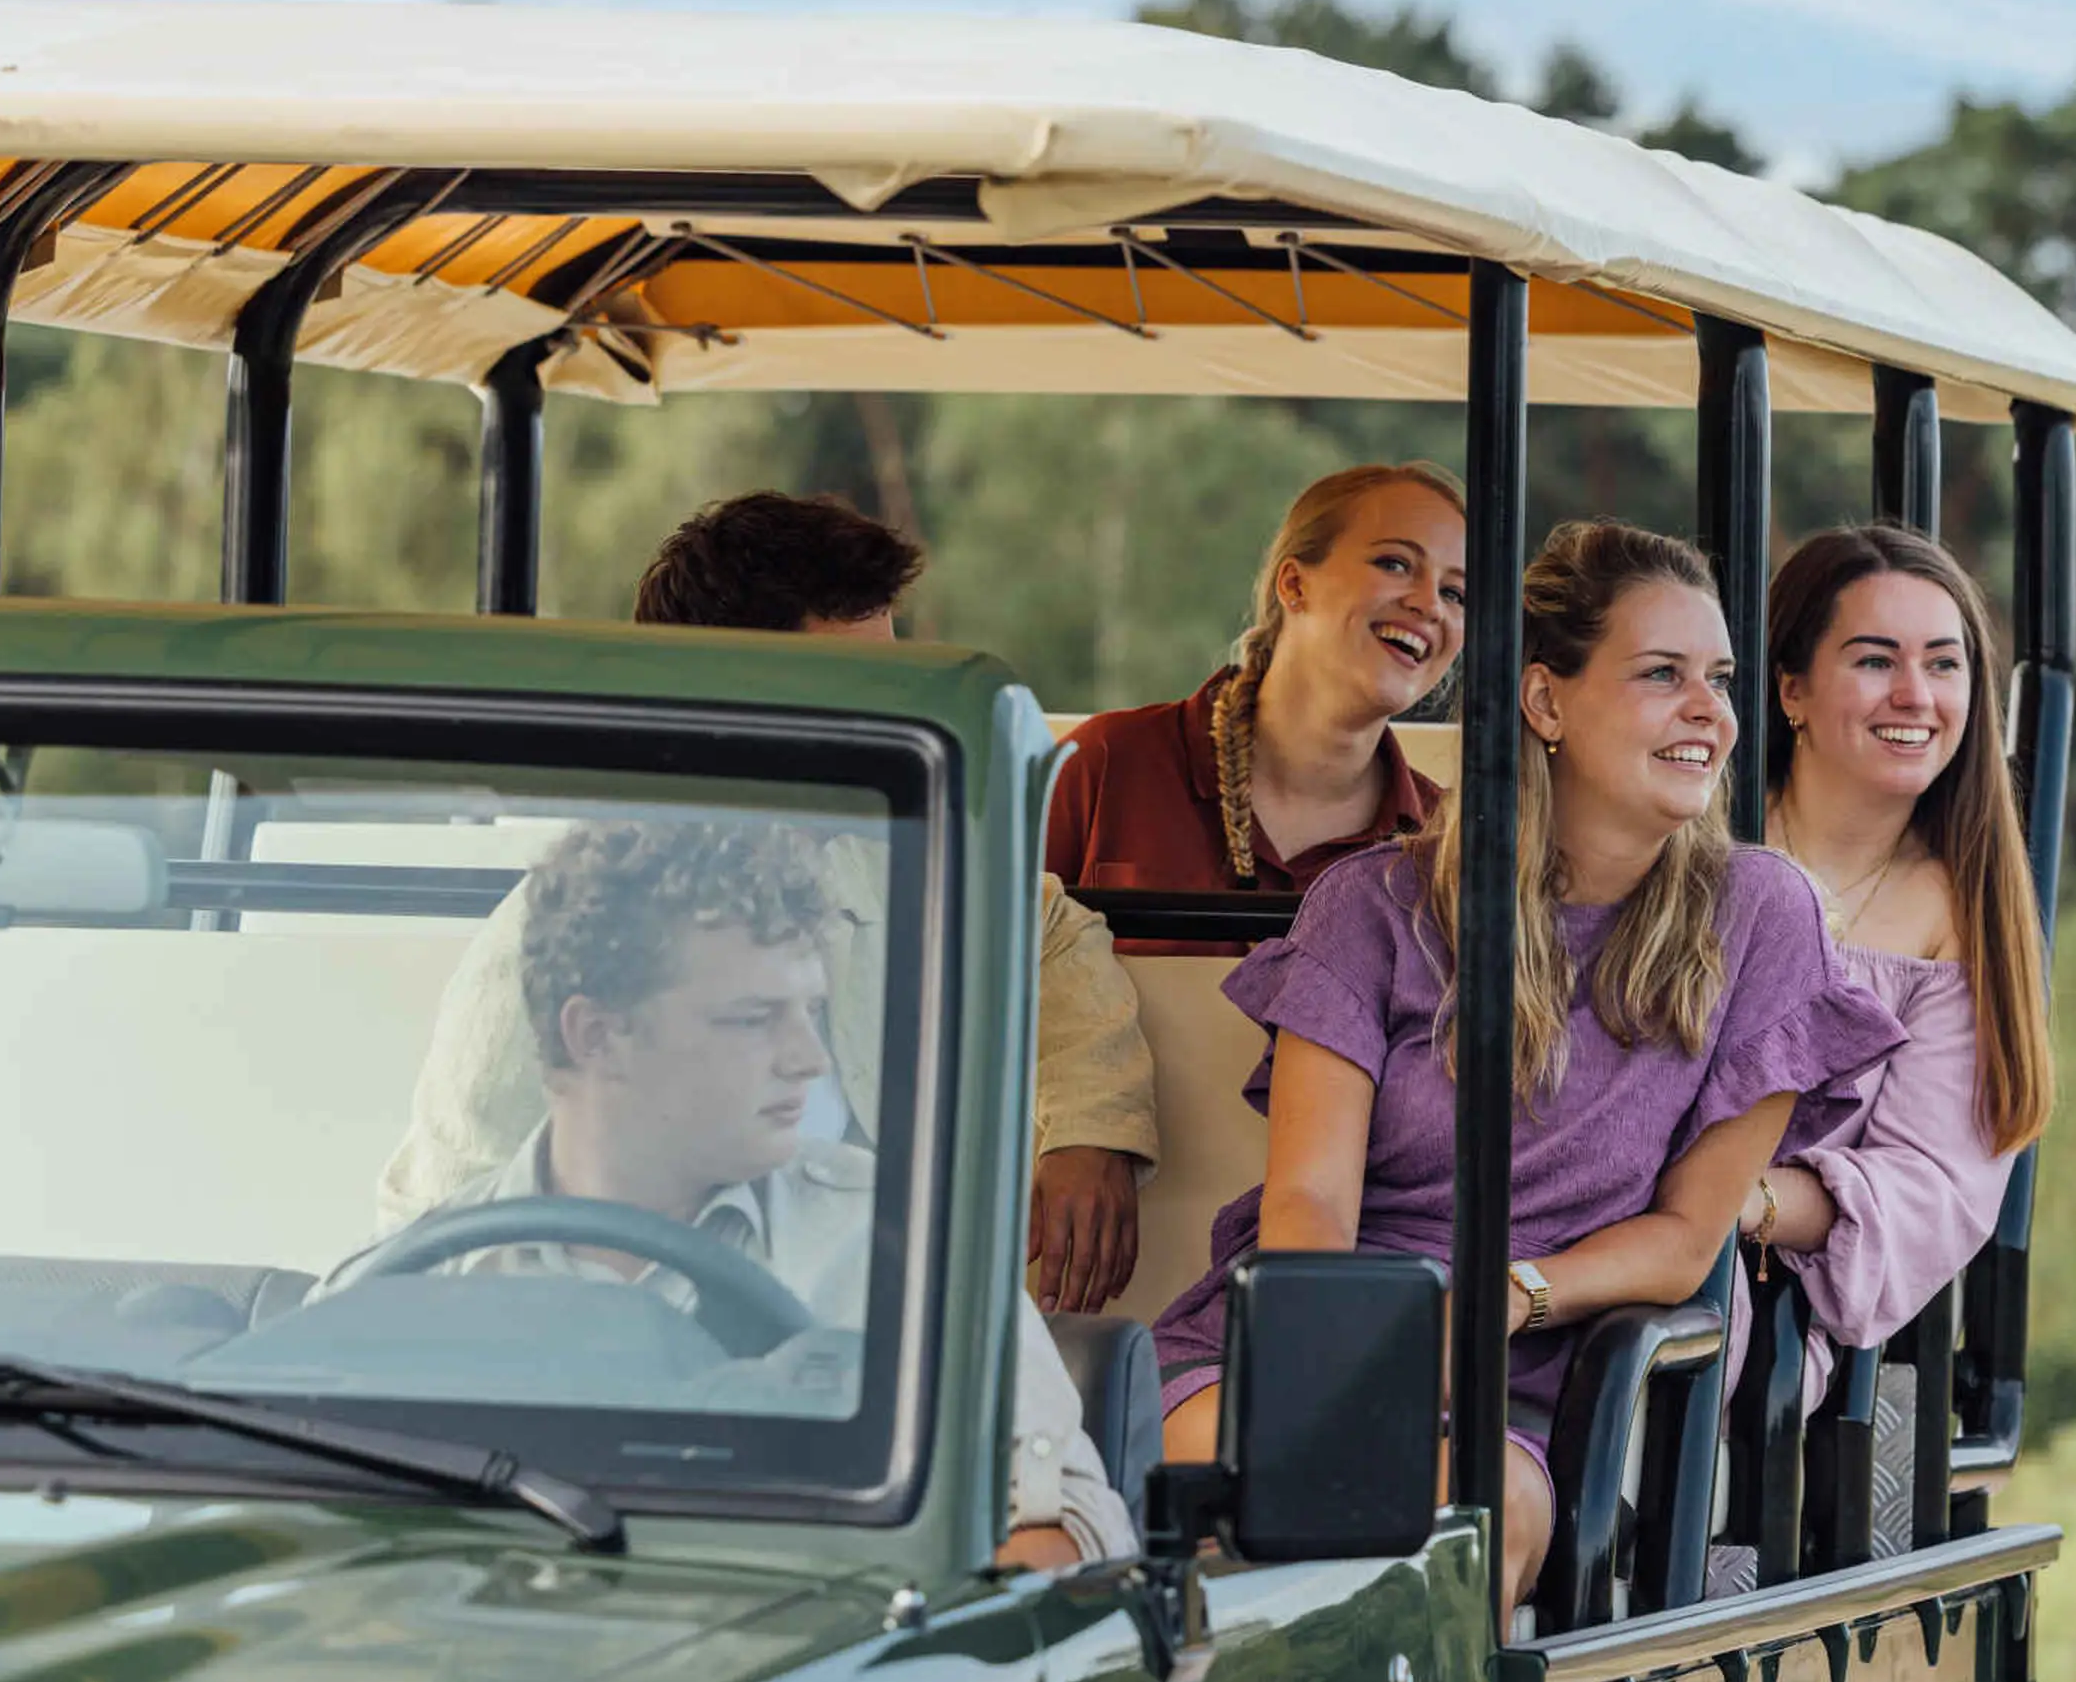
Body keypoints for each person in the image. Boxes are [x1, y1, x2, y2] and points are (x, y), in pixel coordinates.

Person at [1152, 520, 1904, 1612]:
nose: (1710, 712)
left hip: (1541, 1370)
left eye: (1720, 680)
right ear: (1546, 703)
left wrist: (1508, 1299)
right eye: (1662, 676)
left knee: (1447, 1539)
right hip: (1326, 1334)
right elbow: (1310, 1195)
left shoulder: (1760, 915)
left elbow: (1687, 1237)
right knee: (1240, 1516)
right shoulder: (1372, 906)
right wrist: (1345, 1371)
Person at [376, 492, 1165, 1316]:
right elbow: (441, 1241)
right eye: (854, 691)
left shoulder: (875, 848)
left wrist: (1091, 1126)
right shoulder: (562, 943)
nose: (898, 722)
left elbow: (1045, 929)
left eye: (897, 683)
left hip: (873, 1344)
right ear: (729, 702)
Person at [338, 817, 1135, 1569]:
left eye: (812, 1014)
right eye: (754, 1019)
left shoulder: (903, 1248)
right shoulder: (418, 1283)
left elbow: (1067, 1529)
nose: (807, 1058)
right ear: (596, 1035)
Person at [1734, 524, 2058, 1554]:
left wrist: (1732, 1203)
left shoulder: (1959, 920)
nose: (1916, 695)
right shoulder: (1692, 842)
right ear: (1790, 690)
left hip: (1758, 1300)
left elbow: (1929, 1187)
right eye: (1875, 660)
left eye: (1945, 663)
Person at [1045, 463, 1465, 954]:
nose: (1430, 605)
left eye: (1455, 593)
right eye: (1394, 564)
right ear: (1293, 584)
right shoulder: (1105, 762)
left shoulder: (1449, 847)